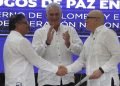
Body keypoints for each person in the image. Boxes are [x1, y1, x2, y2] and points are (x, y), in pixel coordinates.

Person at [3, 14, 66, 86]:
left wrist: (47, 43)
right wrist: (56, 69)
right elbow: (37, 60)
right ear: (17, 25)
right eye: (25, 23)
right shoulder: (21, 41)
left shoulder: (10, 38)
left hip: (12, 82)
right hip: (21, 82)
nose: (28, 25)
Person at [32, 3, 83, 86]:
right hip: (47, 79)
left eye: (57, 14)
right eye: (51, 14)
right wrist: (47, 43)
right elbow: (34, 56)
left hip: (67, 78)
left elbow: (81, 51)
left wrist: (69, 44)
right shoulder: (39, 32)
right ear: (46, 15)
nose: (54, 17)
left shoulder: (70, 30)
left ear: (61, 15)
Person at [66, 10, 120, 86]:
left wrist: (101, 70)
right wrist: (67, 70)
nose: (85, 21)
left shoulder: (108, 33)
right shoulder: (88, 40)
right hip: (92, 82)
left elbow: (117, 55)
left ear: (97, 19)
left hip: (107, 81)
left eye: (88, 18)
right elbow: (81, 61)